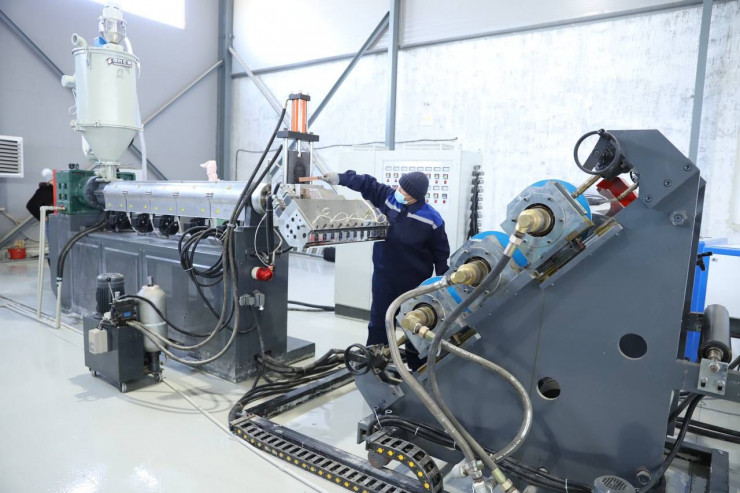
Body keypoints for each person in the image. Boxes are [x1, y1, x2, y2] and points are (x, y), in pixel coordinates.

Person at [321, 170, 450, 369]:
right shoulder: (389, 198)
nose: (399, 191)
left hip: (413, 285)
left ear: (415, 195)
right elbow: (366, 183)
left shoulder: (432, 219)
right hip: (384, 278)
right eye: (399, 186)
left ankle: (418, 370)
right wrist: (339, 178)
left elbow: (440, 253)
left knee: (414, 326)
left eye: (404, 190)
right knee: (379, 323)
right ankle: (374, 364)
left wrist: (442, 281)